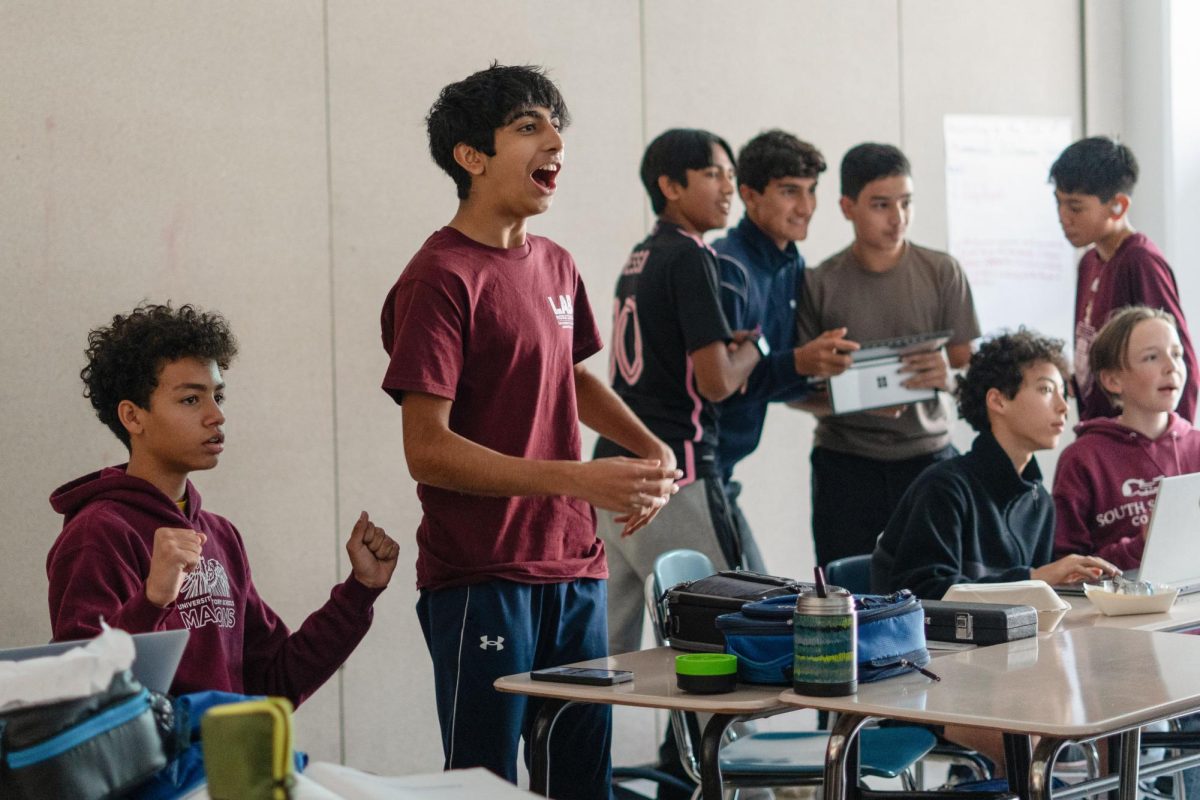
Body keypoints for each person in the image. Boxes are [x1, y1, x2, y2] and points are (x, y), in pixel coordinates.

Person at [380, 64, 677, 798]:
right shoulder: (439, 278)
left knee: (583, 779)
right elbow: (427, 448)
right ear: (470, 157)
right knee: (486, 784)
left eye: (555, 126)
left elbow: (568, 378)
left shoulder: (555, 263)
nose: (555, 142)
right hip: (483, 576)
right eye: (528, 127)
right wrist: (579, 477)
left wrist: (650, 448)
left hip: (574, 568)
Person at [47, 303, 399, 708]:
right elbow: (80, 695)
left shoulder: (220, 535)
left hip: (228, 765)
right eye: (191, 400)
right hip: (156, 771)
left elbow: (274, 680)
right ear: (132, 416)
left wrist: (360, 591)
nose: (217, 415)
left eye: (218, 395)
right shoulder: (97, 533)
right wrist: (153, 600)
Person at [594, 128, 764, 657]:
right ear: (670, 185)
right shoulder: (692, 255)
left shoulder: (639, 256)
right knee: (738, 629)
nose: (727, 188)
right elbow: (714, 381)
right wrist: (755, 350)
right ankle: (701, 745)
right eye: (713, 174)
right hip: (676, 471)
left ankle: (584, 745)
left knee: (604, 659)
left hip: (611, 475)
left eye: (731, 176)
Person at [796, 143, 980, 567]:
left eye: (906, 203)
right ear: (847, 207)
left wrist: (947, 378)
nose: (897, 218)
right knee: (845, 593)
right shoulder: (819, 282)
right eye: (881, 204)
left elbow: (969, 368)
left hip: (929, 458)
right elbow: (794, 386)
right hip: (845, 465)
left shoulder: (942, 272)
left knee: (938, 590)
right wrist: (855, 397)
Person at [871, 330, 1117, 600]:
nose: (1063, 407)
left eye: (1063, 393)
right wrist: (1034, 578)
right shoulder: (944, 487)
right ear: (997, 400)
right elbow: (921, 593)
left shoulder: (1040, 502)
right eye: (1046, 389)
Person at [711, 130, 858, 571]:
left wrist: (851, 398)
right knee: (739, 604)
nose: (806, 206)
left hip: (722, 468)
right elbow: (719, 382)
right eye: (790, 191)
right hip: (692, 467)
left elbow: (773, 379)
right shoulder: (726, 266)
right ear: (749, 195)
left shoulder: (792, 264)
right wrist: (799, 362)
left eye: (812, 191)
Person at [1050, 136, 1198, 423]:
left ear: (1118, 206)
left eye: (1075, 207)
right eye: (1059, 204)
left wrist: (1176, 443)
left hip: (1138, 438)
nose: (1063, 217)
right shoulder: (1089, 262)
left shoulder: (1140, 261)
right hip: (1099, 428)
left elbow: (1182, 362)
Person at [1054, 306, 1200, 569]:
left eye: (1177, 354)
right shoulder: (1083, 458)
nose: (1171, 367)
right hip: (1115, 606)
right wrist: (1142, 544)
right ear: (1112, 380)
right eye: (1152, 357)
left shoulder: (1196, 445)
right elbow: (1066, 567)